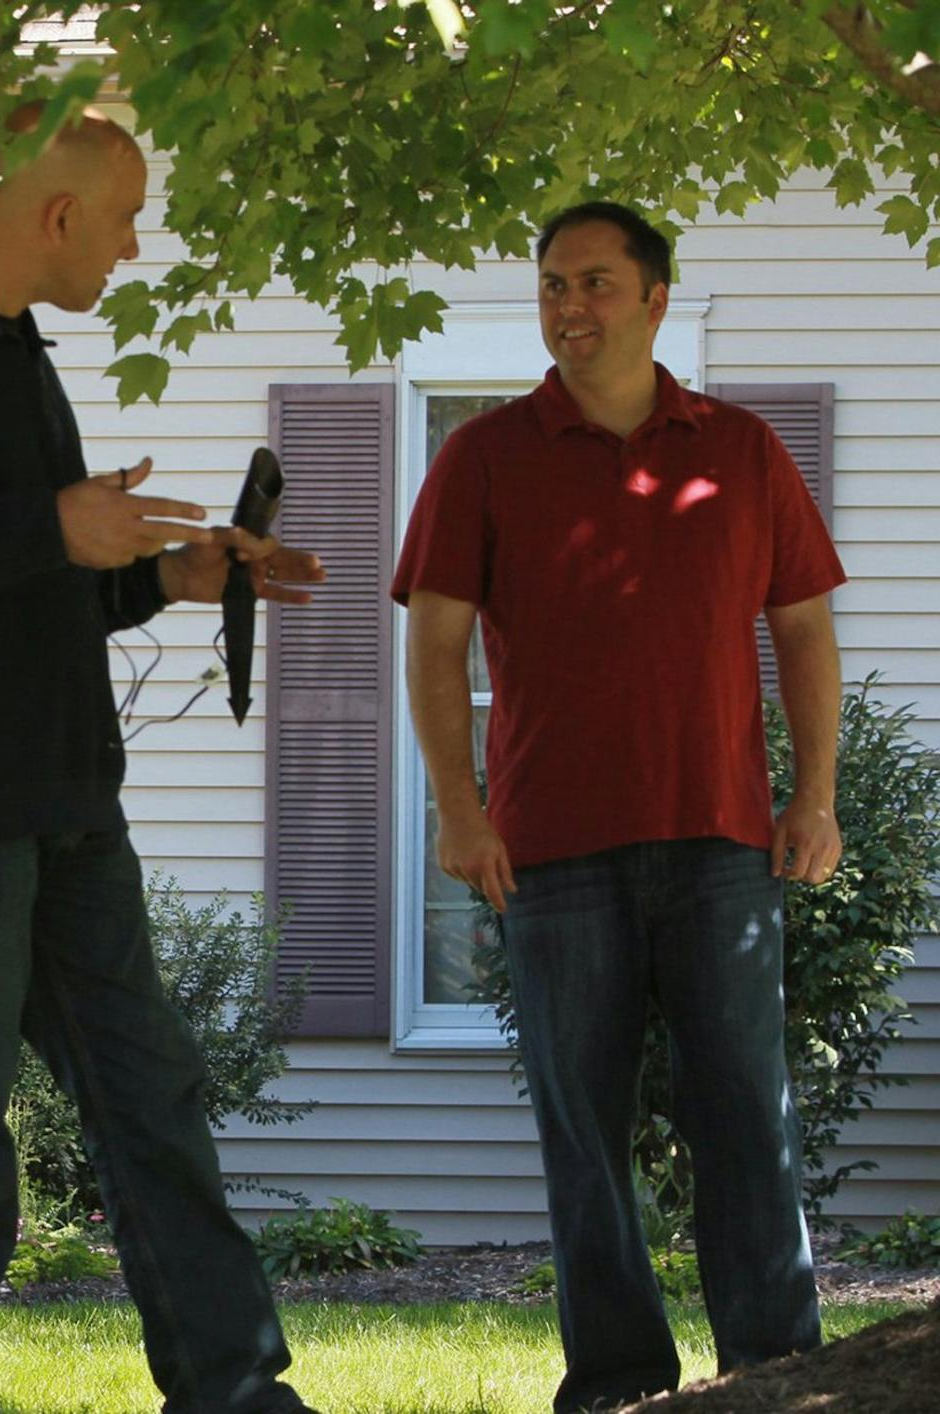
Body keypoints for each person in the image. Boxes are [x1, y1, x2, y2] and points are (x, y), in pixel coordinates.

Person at [0, 103, 325, 1414]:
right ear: (57, 213)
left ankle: (233, 1384)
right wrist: (50, 523)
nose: (134, 248)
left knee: (152, 1094)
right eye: (128, 216)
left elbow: (35, 585)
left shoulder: (17, 347)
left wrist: (168, 573)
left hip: (71, 800)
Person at [392, 200, 845, 1413]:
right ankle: (618, 1382)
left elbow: (802, 629)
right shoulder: (484, 454)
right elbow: (433, 646)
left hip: (721, 843)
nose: (569, 307)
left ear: (654, 298)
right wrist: (458, 805)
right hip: (551, 852)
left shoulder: (743, 451)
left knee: (747, 1111)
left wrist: (816, 795)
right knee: (582, 1132)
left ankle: (776, 1370)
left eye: (594, 282)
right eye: (551, 285)